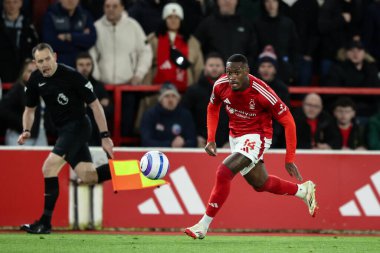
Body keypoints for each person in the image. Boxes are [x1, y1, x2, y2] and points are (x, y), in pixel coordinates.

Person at [184, 54, 318, 240]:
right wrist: (211, 138)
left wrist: (290, 159)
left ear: (247, 72)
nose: (232, 77)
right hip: (236, 137)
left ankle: (203, 225)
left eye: (237, 73)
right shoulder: (220, 85)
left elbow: (288, 122)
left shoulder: (262, 92)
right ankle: (303, 191)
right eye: (229, 72)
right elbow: (213, 107)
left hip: (258, 136)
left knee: (224, 172)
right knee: (260, 183)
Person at [18, 43, 114, 234]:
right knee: (89, 176)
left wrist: (105, 137)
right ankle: (140, 169)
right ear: (35, 63)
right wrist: (26, 129)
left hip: (79, 127)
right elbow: (30, 110)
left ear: (55, 56)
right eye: (40, 61)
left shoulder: (72, 76)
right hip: (65, 132)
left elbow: (96, 106)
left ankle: (44, 223)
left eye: (47, 59)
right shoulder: (35, 79)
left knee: (48, 167)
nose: (44, 64)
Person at [89, 0, 152, 137]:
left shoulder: (133, 26)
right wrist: (96, 77)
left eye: (115, 6)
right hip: (103, 88)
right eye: (107, 6)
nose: (111, 9)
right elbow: (91, 54)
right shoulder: (96, 27)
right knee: (102, 127)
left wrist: (139, 74)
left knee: (126, 128)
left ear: (122, 7)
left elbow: (145, 52)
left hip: (127, 86)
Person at [145, 2, 204, 92]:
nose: (173, 20)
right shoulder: (153, 39)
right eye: (170, 17)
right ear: (164, 20)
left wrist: (195, 90)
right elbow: (146, 64)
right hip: (156, 91)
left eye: (177, 17)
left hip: (185, 91)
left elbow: (198, 68)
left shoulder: (192, 42)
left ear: (181, 20)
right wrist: (146, 87)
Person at [182, 52, 229, 148]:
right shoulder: (193, 91)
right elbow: (185, 117)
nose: (214, 68)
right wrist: (195, 137)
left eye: (217, 65)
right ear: (205, 67)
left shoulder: (234, 91)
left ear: (224, 68)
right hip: (200, 144)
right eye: (211, 65)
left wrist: (231, 140)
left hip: (227, 146)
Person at [0, 59, 49, 146]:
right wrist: (22, 124)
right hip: (18, 134)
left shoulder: (44, 89)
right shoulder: (18, 89)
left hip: (39, 133)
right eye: (29, 71)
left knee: (44, 158)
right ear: (23, 73)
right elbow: (3, 110)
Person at [140, 82, 197, 148]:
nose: (170, 100)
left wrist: (183, 143)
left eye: (173, 96)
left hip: (180, 154)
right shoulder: (150, 115)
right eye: (166, 96)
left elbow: (193, 141)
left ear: (178, 99)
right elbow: (146, 141)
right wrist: (170, 145)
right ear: (160, 100)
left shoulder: (185, 115)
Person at [42, 0, 96, 67]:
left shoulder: (85, 15)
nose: (70, 1)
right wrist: (81, 38)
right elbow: (51, 43)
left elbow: (91, 39)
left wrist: (69, 36)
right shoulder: (50, 16)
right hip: (60, 65)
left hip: (82, 67)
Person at [75, 52, 112, 146]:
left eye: (88, 64)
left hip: (96, 135)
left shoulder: (99, 86)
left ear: (92, 66)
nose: (85, 68)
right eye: (81, 65)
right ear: (75, 66)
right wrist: (96, 105)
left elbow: (109, 111)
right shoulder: (68, 86)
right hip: (74, 134)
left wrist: (85, 106)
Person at [0, 0, 39, 82]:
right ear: (3, 4)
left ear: (21, 3)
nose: (11, 5)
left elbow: (36, 46)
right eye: (8, 2)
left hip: (23, 70)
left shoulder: (29, 24)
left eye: (15, 2)